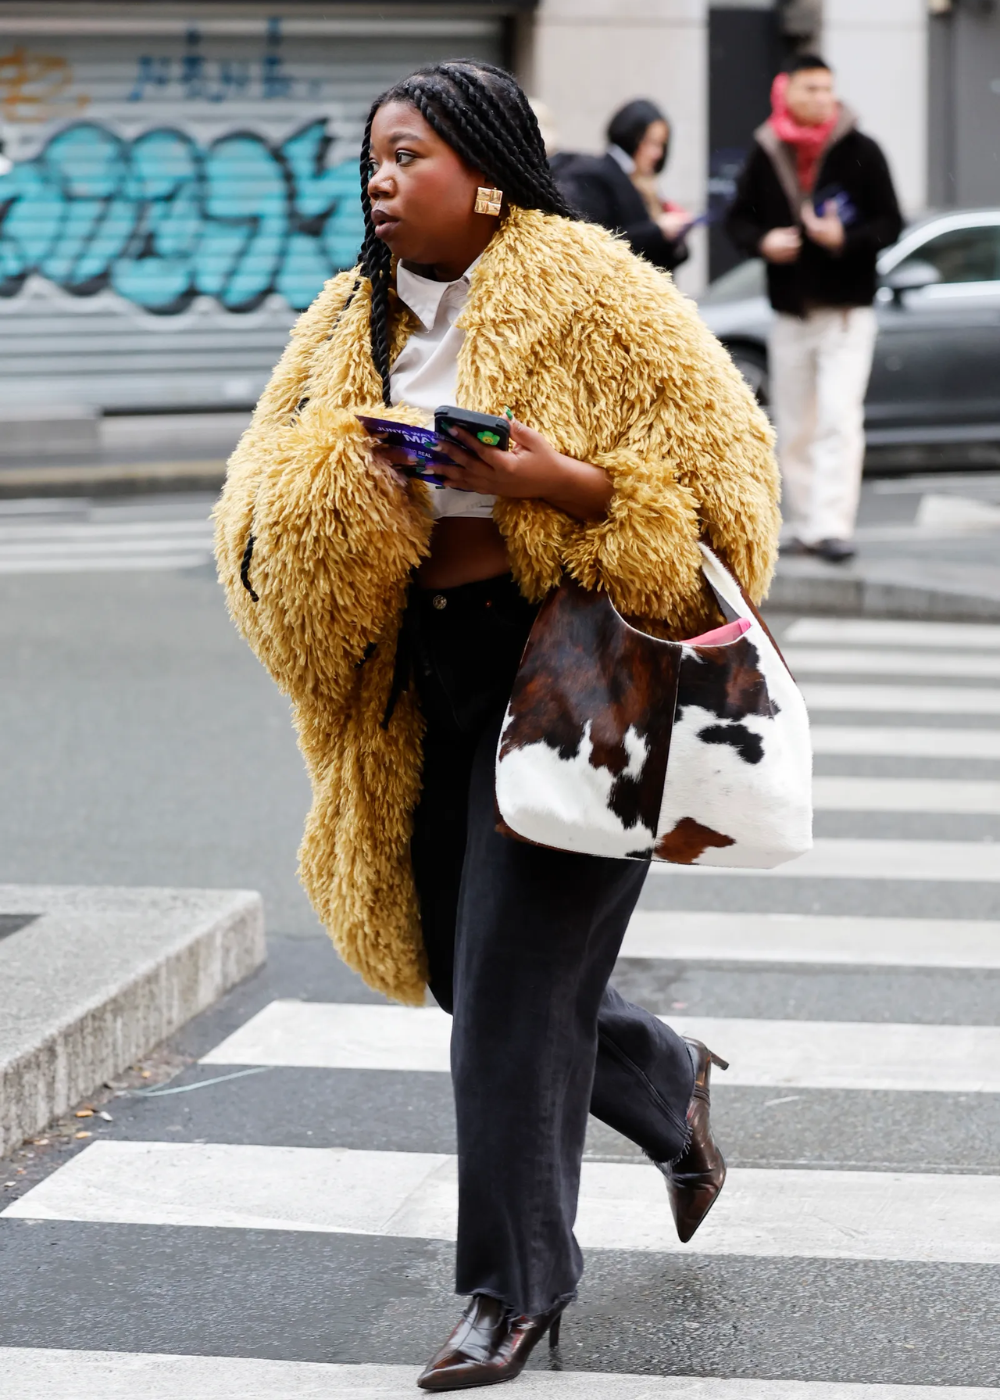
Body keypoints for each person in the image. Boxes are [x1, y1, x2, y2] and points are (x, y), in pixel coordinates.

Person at [216, 60, 779, 1392]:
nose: (380, 178)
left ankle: (512, 1289)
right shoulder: (348, 319)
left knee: (513, 1006)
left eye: (406, 154)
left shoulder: (603, 296)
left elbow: (732, 506)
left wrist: (560, 484)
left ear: (482, 170)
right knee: (468, 973)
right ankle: (659, 1075)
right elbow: (250, 506)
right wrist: (340, 489)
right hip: (426, 682)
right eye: (371, 159)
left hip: (579, 671)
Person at [726, 54, 902, 563]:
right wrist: (765, 242)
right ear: (787, 92)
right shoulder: (767, 151)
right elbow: (737, 222)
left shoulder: (862, 149)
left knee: (838, 417)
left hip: (846, 312)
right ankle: (803, 524)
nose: (822, 98)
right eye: (811, 88)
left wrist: (844, 237)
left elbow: (891, 223)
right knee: (795, 421)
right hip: (790, 312)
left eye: (828, 89)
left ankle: (831, 525)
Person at [555, 98, 691, 271]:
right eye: (651, 143)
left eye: (661, 145)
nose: (658, 153)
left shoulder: (644, 182)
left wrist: (673, 236)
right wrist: (659, 232)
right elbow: (601, 241)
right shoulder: (596, 175)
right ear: (632, 137)